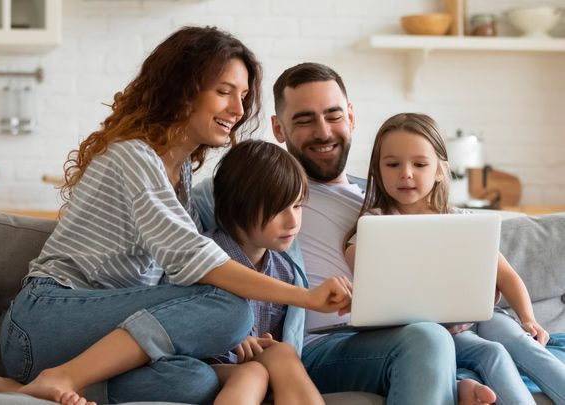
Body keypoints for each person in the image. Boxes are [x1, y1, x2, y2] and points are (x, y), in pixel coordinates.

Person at [0, 28, 352, 405]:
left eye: (242, 96)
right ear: (182, 88)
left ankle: (24, 387)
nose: (238, 110)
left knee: (194, 381)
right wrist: (307, 297)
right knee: (231, 308)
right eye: (224, 91)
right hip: (46, 323)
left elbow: (173, 284)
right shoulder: (133, 157)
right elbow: (194, 262)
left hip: (100, 340)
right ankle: (63, 376)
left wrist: (228, 337)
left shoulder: (182, 174)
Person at [194, 62, 495, 404]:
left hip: (392, 335)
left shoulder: (388, 198)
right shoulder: (263, 191)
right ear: (279, 128)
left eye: (333, 116)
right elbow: (192, 251)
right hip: (314, 347)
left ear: (351, 117)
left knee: (436, 338)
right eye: (305, 120)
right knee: (427, 340)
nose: (323, 131)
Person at [343, 112, 565, 405]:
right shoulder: (375, 225)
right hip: (430, 330)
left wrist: (528, 318)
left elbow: (507, 276)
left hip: (481, 316)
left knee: (517, 340)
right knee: (493, 353)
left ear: (440, 170)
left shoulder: (461, 220)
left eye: (419, 164)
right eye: (392, 164)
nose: (406, 173)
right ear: (378, 169)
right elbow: (367, 272)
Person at [206, 139, 325, 405]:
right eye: (278, 210)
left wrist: (265, 344)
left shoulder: (283, 270)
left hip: (258, 367)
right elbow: (174, 323)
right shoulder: (203, 257)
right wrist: (228, 336)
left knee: (281, 353)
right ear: (238, 207)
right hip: (204, 367)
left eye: (297, 206)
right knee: (256, 371)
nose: (293, 222)